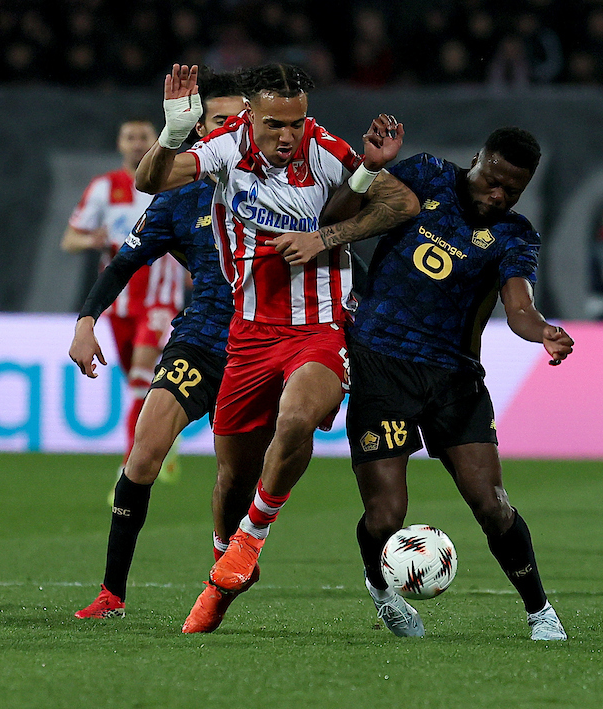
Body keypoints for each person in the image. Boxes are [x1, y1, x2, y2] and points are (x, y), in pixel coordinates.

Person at [134, 63, 421, 632]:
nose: (287, 135)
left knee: (297, 418)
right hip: (247, 336)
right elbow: (151, 182)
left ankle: (251, 539)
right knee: (232, 479)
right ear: (250, 116)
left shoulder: (326, 149)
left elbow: (403, 204)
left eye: (296, 122)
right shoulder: (225, 147)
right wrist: (173, 133)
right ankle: (226, 564)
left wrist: (326, 237)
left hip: (319, 329)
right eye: (274, 124)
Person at [292, 127, 574, 640]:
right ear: (476, 159)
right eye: (492, 181)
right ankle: (383, 591)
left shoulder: (516, 235)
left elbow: (519, 307)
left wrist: (544, 332)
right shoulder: (425, 175)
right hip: (381, 364)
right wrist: (370, 169)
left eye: (512, 190)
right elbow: (335, 218)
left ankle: (540, 612)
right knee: (385, 516)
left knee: (492, 503)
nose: (498, 195)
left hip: (453, 377)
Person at [70, 70, 248, 620]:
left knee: (235, 476)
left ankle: (226, 565)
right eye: (222, 119)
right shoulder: (178, 198)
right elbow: (123, 262)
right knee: (144, 454)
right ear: (201, 129)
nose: (234, 128)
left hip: (261, 346)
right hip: (200, 338)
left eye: (242, 119)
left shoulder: (284, 187)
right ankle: (112, 594)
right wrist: (86, 320)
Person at [62, 119, 188, 473]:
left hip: (162, 298)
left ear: (156, 140)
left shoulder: (175, 180)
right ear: (119, 144)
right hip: (120, 302)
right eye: (129, 137)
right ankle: (164, 437)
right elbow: (69, 240)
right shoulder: (104, 187)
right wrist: (91, 240)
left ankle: (130, 466)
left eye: (143, 137)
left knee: (139, 381)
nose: (136, 144)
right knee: (140, 383)